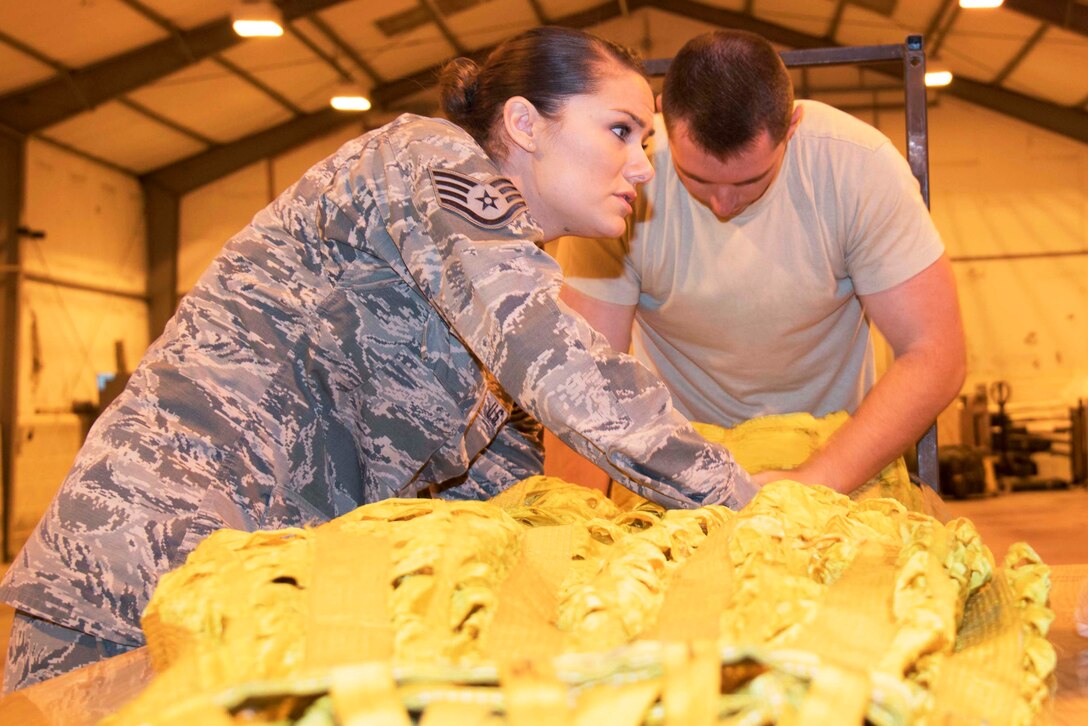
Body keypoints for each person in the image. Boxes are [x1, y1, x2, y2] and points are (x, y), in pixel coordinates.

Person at [0, 27, 756, 691]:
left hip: (240, 596)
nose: (644, 167)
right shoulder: (429, 164)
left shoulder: (479, 264)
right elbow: (562, 367)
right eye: (622, 131)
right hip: (140, 567)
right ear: (525, 123)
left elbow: (499, 485)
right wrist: (743, 500)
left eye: (648, 143)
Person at [548, 29, 966, 496]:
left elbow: (934, 354)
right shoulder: (623, 183)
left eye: (751, 180)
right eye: (697, 178)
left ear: (792, 125)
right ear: (664, 114)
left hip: (835, 462)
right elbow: (585, 378)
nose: (723, 205)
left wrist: (813, 481)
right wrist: (578, 515)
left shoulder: (857, 170)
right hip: (676, 470)